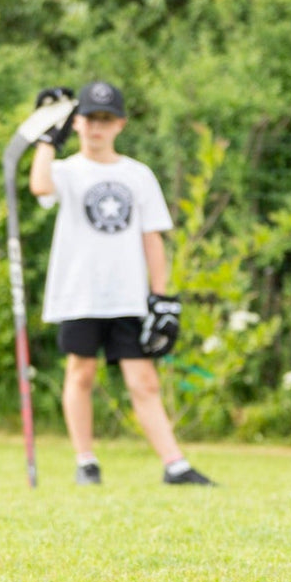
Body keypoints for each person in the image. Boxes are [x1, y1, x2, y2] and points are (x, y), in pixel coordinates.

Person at [28, 80, 214, 486]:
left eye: (106, 120)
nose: (97, 127)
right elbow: (39, 185)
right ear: (77, 123)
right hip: (79, 292)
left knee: (143, 380)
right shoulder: (66, 170)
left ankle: (175, 465)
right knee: (81, 373)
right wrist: (47, 136)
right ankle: (86, 462)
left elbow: (153, 237)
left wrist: (162, 296)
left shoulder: (138, 174)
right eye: (90, 119)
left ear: (120, 124)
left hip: (128, 296)